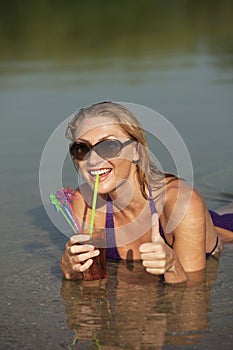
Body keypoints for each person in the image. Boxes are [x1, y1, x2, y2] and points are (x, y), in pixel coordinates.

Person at [60, 101, 233, 284]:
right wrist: (70, 273)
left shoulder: (182, 201)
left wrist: (172, 266)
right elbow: (92, 286)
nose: (93, 160)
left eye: (108, 147)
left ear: (135, 150)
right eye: (81, 149)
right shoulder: (84, 202)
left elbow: (193, 294)